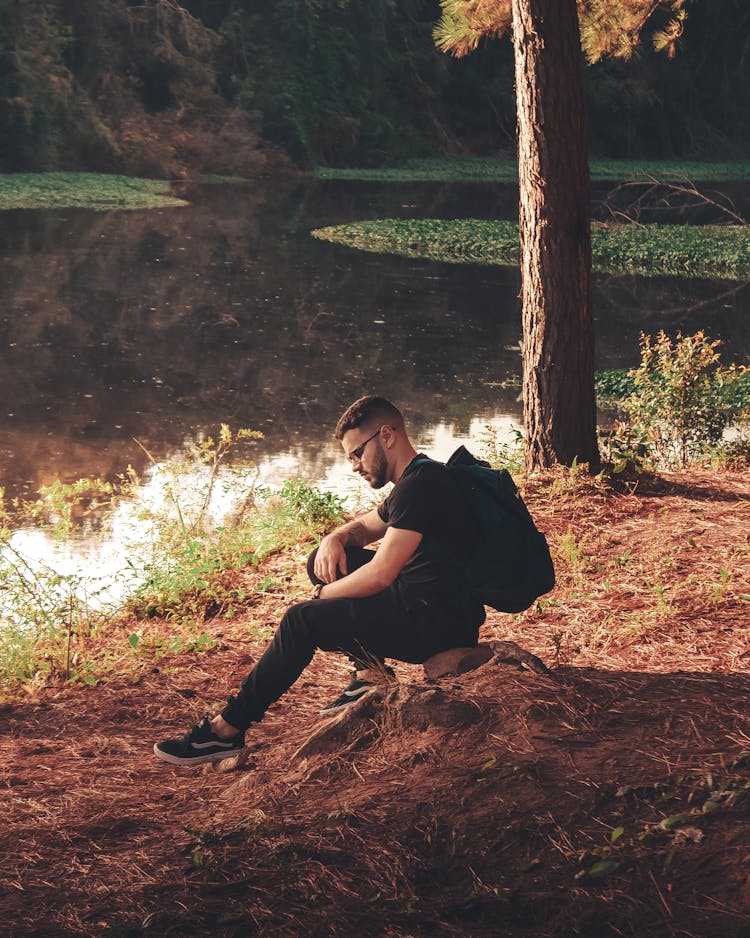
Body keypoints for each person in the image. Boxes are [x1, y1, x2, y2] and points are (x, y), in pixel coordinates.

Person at [153, 395, 485, 766]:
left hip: (435, 625)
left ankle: (224, 731)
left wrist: (321, 596)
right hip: (432, 603)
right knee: (324, 561)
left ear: (387, 435)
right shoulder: (419, 477)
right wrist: (334, 539)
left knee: (302, 619)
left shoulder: (420, 488)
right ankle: (368, 675)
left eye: (357, 454)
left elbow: (379, 577)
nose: (355, 466)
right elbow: (362, 530)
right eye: (349, 458)